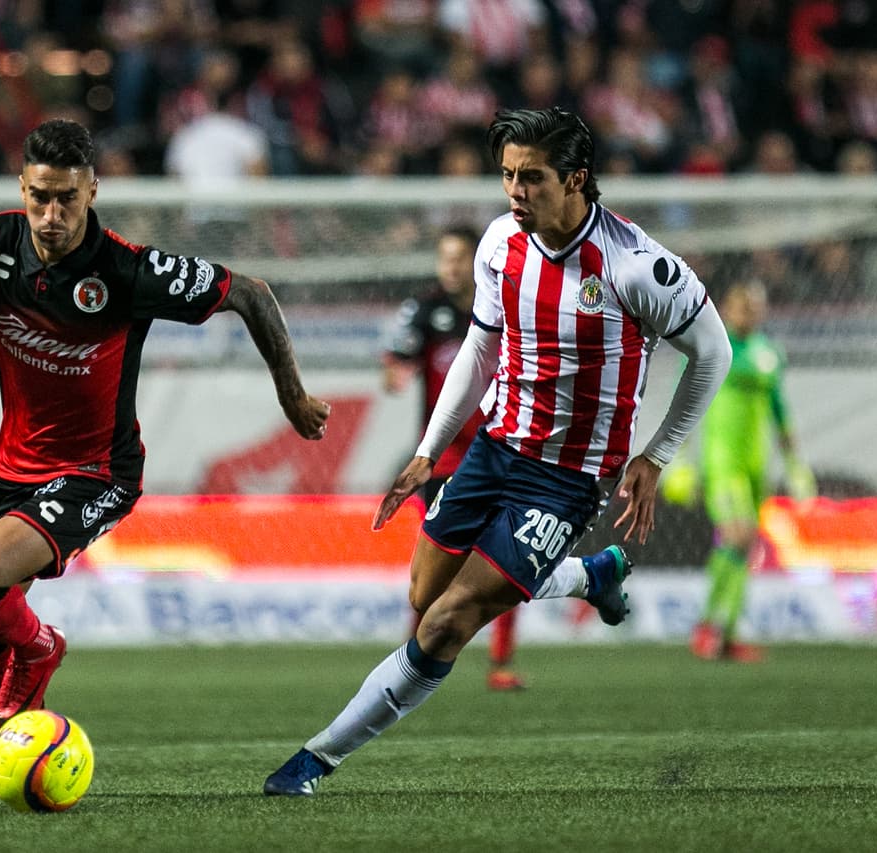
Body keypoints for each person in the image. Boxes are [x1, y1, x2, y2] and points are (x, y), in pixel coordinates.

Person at [263, 107, 732, 796]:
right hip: (491, 449)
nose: (515, 191)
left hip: (568, 478)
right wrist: (428, 450)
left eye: (531, 177)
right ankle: (589, 574)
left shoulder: (637, 266)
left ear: (576, 178)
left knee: (449, 623)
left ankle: (314, 759)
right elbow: (481, 348)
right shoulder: (498, 244)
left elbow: (712, 354)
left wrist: (655, 455)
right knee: (426, 597)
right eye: (507, 175)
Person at [0, 119, 330, 795]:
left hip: (95, 473)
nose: (51, 214)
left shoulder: (129, 270)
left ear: (93, 192)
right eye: (39, 196)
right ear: (21, 187)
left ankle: (42, 648)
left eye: (67, 199)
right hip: (11, 472)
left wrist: (293, 395)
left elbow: (250, 292)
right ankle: (33, 745)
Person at [382, 225, 526, 691]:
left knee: (507, 559)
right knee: (436, 563)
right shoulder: (425, 311)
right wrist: (396, 373)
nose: (450, 267)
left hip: (498, 451)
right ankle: (413, 656)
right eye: (443, 257)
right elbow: (395, 361)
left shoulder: (505, 309)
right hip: (442, 460)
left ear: (477, 260)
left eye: (458, 257)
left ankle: (501, 663)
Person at [689, 280, 810, 663]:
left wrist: (794, 464)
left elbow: (779, 408)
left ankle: (725, 631)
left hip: (759, 463)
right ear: (726, 308)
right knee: (738, 537)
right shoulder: (712, 349)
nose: (749, 314)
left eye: (755, 307)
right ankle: (709, 625)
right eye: (742, 306)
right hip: (724, 463)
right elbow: (687, 400)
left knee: (745, 546)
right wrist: (677, 459)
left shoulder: (769, 354)